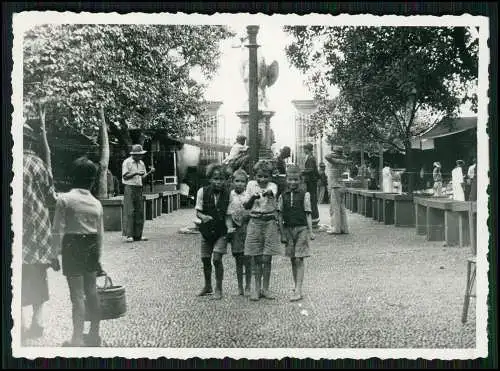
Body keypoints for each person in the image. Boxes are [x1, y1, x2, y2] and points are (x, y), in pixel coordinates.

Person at [52, 157, 105, 347]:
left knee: (76, 295)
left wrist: (54, 254)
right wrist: (98, 257)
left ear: (73, 177)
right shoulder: (96, 204)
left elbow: (58, 228)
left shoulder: (64, 200)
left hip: (72, 245)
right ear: (92, 180)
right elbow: (100, 234)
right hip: (91, 246)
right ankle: (94, 334)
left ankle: (77, 338)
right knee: (92, 292)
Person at [21, 122, 59, 342]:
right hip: (38, 230)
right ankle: (37, 321)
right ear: (30, 141)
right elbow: (50, 196)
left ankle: (21, 323)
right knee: (38, 274)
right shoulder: (38, 164)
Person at [243, 160, 281, 301]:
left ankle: (266, 288)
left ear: (270, 176)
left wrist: (268, 193)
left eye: (265, 176)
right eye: (259, 176)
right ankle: (256, 288)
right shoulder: (251, 185)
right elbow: (246, 206)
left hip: (269, 222)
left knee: (267, 257)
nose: (262, 179)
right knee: (256, 257)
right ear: (255, 175)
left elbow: (272, 194)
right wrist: (253, 197)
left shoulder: (273, 185)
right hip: (255, 222)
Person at [277, 165, 315, 302]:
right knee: (293, 258)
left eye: (296, 180)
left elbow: (308, 214)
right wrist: (282, 233)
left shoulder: (305, 194)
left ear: (300, 180)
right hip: (288, 230)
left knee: (299, 258)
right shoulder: (283, 196)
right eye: (290, 180)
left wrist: (311, 232)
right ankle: (296, 285)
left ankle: (299, 289)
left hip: (301, 229)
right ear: (287, 180)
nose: (293, 182)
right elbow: (280, 216)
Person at [195, 164, 230, 300]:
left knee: (216, 259)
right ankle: (207, 285)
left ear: (225, 180)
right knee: (205, 259)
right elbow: (198, 211)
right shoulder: (202, 192)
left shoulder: (228, 193)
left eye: (221, 179)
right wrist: (203, 217)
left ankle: (218, 288)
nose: (218, 182)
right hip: (206, 231)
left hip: (221, 231)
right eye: (215, 179)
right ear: (210, 179)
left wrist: (230, 228)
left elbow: (229, 213)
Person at [225, 169, 252, 296]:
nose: (240, 184)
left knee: (248, 258)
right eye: (237, 181)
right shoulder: (230, 195)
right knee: (238, 259)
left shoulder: (248, 195)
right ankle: (240, 286)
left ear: (246, 183)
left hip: (247, 228)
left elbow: (252, 210)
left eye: (242, 181)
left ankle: (248, 286)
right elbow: (228, 214)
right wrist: (229, 228)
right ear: (232, 182)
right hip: (235, 229)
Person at [121, 144, 155, 242]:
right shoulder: (127, 162)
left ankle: (138, 235)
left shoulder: (141, 163)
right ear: (134, 155)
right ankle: (129, 235)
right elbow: (125, 176)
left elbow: (143, 176)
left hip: (139, 187)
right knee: (130, 210)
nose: (140, 156)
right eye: (139, 155)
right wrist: (136, 173)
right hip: (129, 187)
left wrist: (149, 172)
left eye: (141, 155)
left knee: (139, 211)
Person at [325, 148, 349, 234]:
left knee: (335, 208)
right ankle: (344, 228)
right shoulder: (343, 161)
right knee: (342, 208)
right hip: (341, 185)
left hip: (335, 185)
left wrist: (335, 154)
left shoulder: (335, 160)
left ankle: (336, 228)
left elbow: (327, 156)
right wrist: (340, 155)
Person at [301, 143, 320, 227]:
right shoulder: (309, 157)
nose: (304, 150)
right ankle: (313, 218)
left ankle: (314, 218)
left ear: (307, 149)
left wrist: (302, 171)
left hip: (311, 181)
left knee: (312, 199)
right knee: (311, 198)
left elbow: (312, 169)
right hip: (311, 181)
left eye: (304, 149)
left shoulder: (311, 158)